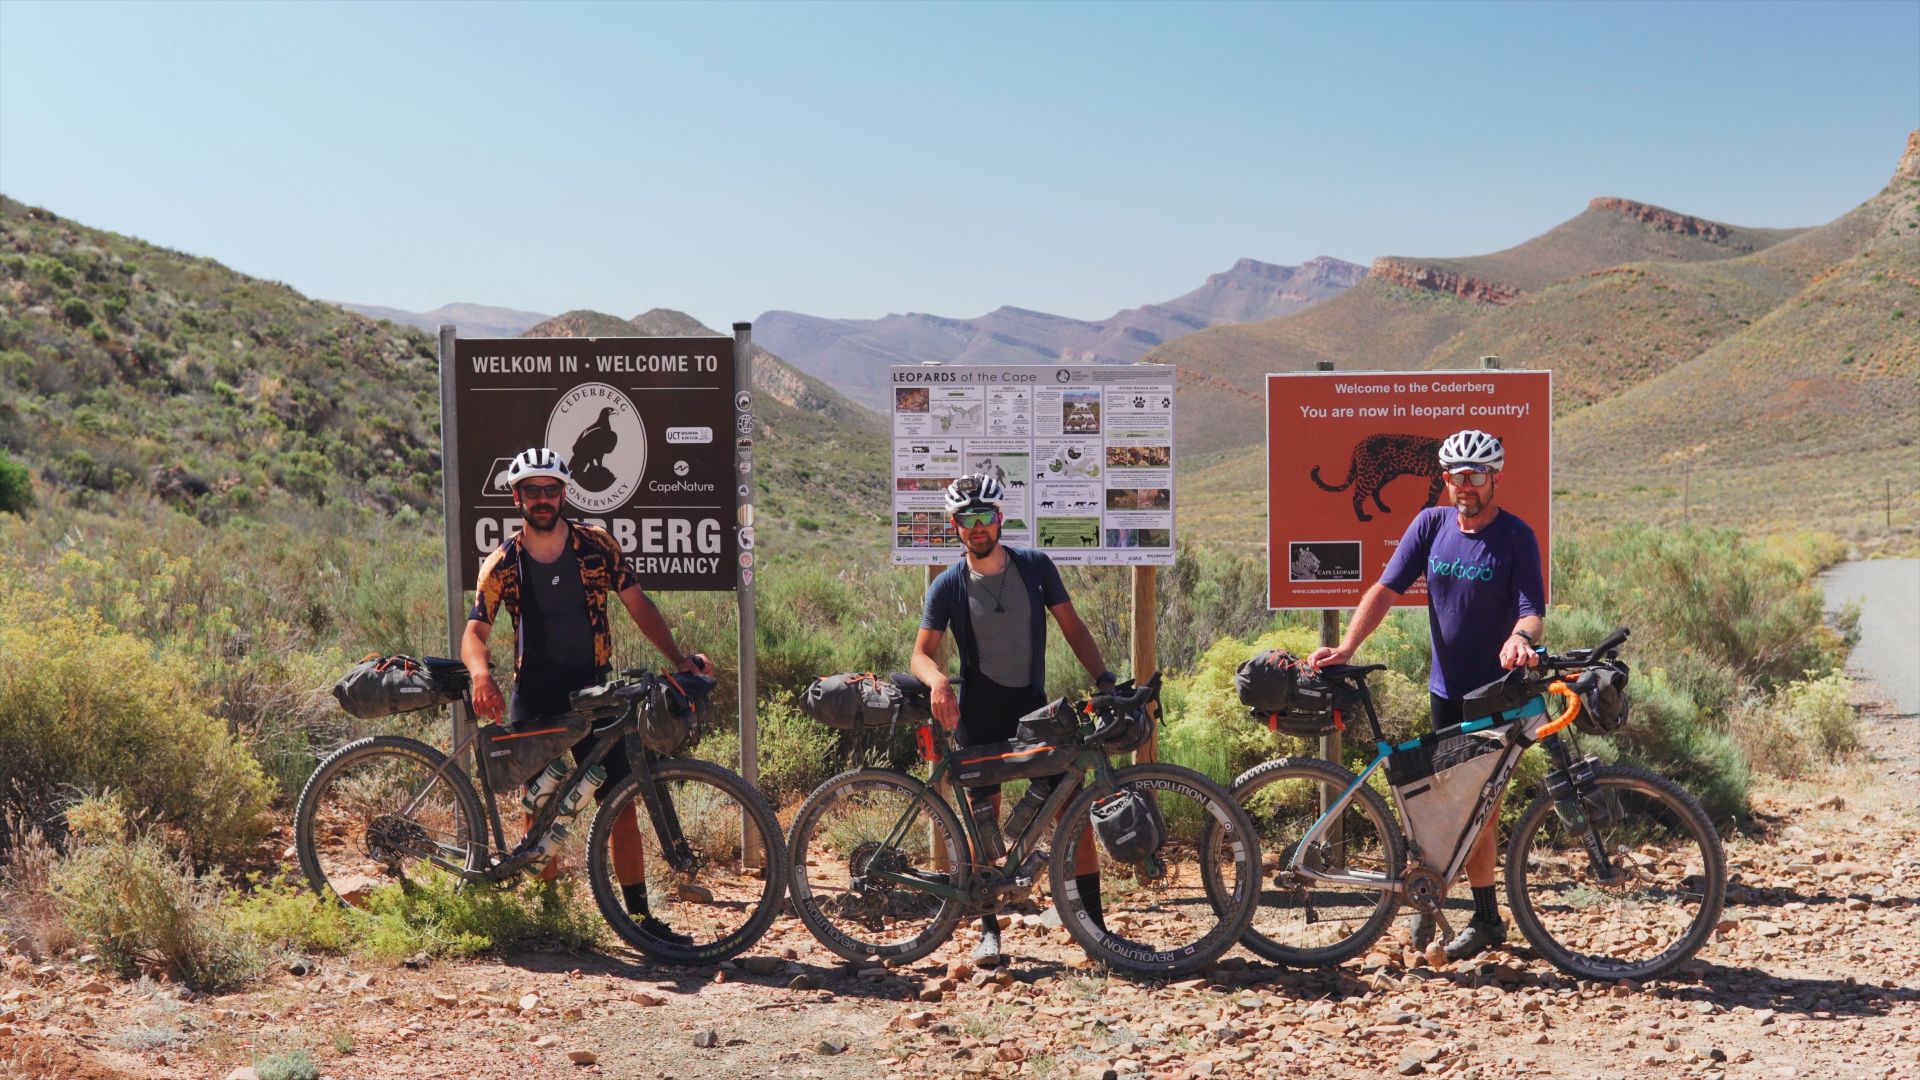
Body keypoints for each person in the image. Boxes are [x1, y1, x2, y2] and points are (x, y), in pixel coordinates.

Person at [1307, 428, 1545, 961]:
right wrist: (1346, 645)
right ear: (1445, 479)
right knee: (1438, 804)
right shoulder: (1431, 524)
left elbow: (1532, 609)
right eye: (1457, 476)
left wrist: (1519, 638)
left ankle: (1484, 918)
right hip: (1447, 690)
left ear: (1495, 478)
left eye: (1477, 475)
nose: (1466, 485)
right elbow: (1385, 589)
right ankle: (1427, 906)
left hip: (1496, 692)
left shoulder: (1515, 536)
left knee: (1481, 807)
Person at [461, 446, 710, 945]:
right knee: (539, 806)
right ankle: (549, 917)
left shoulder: (597, 546)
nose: (543, 499)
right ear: (517, 498)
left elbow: (639, 605)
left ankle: (640, 923)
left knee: (622, 804)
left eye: (550, 490)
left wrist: (679, 659)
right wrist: (480, 675)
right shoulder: (502, 563)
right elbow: (475, 632)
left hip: (597, 693)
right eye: (532, 491)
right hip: (536, 696)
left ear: (564, 494)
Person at [910, 474, 1120, 966]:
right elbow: (921, 653)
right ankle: (989, 931)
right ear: (954, 526)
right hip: (978, 714)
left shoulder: (1035, 566)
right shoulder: (948, 584)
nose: (977, 527)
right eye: (967, 520)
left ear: (1001, 518)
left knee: (1075, 817)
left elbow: (1073, 626)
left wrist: (1105, 678)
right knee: (984, 827)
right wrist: (938, 681)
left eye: (985, 517)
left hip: (1034, 711)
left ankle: (1096, 930)